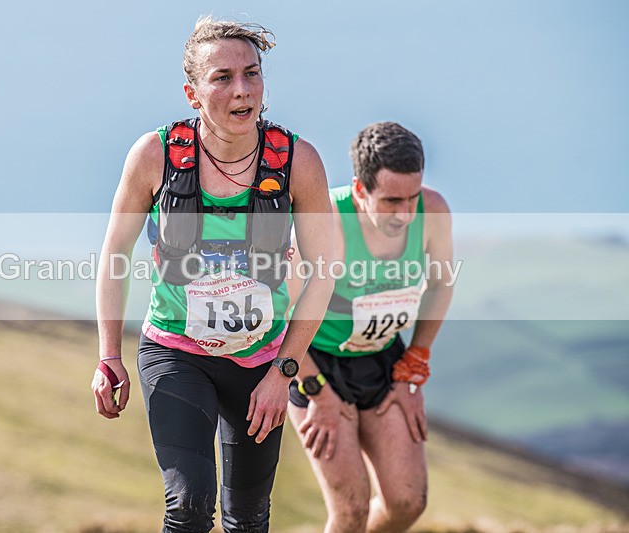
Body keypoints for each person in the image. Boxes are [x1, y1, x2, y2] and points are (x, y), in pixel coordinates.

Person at [91, 16, 334, 533]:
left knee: (247, 520)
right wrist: (108, 357)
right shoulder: (155, 155)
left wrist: (283, 373)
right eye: (222, 77)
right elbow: (114, 254)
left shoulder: (298, 162)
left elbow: (324, 275)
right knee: (190, 504)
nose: (241, 89)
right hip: (176, 352)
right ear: (193, 92)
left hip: (261, 363)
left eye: (252, 73)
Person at [286, 122, 454, 532]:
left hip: (384, 360)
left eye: (412, 198)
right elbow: (279, 314)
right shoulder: (325, 220)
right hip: (315, 365)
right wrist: (315, 390)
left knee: (407, 502)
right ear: (361, 191)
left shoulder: (432, 212)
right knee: (351, 510)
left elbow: (440, 288)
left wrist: (414, 364)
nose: (405, 214)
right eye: (392, 200)